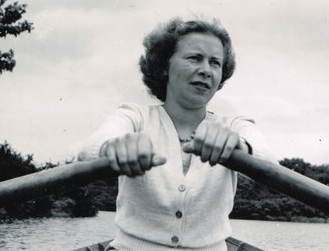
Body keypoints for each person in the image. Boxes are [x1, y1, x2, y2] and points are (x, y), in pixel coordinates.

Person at [78, 17, 275, 250]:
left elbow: (269, 162)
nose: (205, 70)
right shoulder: (134, 116)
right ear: (164, 67)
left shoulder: (234, 125)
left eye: (215, 63)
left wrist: (240, 147)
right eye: (194, 58)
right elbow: (89, 151)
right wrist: (113, 148)